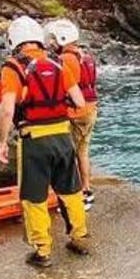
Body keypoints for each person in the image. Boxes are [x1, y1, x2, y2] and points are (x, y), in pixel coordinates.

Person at [0, 16, 90, 268]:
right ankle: (79, 238)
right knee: (71, 191)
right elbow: (79, 102)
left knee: (34, 197)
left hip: (34, 139)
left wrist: (2, 141)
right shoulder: (59, 63)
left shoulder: (13, 67)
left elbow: (6, 110)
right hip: (63, 137)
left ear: (14, 41)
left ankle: (42, 251)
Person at [45, 18, 99, 210]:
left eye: (53, 39)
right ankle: (86, 190)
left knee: (69, 154)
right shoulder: (85, 56)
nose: (51, 43)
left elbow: (68, 87)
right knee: (83, 152)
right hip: (90, 109)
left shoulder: (67, 59)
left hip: (76, 112)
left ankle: (77, 193)